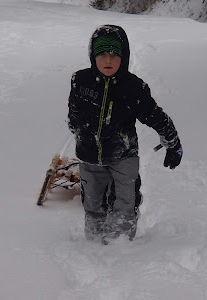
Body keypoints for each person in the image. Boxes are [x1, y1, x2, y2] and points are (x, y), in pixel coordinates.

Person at [67, 24, 182, 244]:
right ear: (93, 56)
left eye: (114, 54)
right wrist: (80, 132)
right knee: (92, 203)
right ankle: (94, 243)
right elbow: (73, 113)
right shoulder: (80, 82)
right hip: (89, 156)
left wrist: (173, 142)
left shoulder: (133, 88)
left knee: (125, 202)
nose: (108, 60)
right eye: (102, 54)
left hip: (124, 156)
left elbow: (155, 115)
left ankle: (120, 247)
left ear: (124, 56)